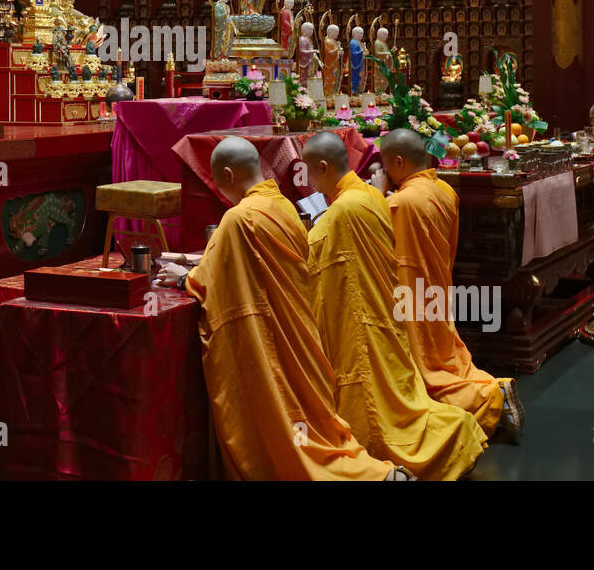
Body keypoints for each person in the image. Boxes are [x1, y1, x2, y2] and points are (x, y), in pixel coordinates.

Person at [156, 136, 408, 480]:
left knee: (286, 428)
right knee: (313, 423)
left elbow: (210, 281)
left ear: (228, 175)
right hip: (301, 340)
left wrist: (183, 279)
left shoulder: (239, 219)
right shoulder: (286, 206)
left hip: (270, 343)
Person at [301, 132, 487, 479]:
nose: (310, 181)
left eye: (310, 173)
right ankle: (456, 428)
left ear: (323, 168)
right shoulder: (372, 194)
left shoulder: (341, 211)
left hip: (361, 321)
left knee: (380, 411)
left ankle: (412, 459)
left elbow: (308, 262)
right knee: (401, 394)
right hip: (390, 314)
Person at [375, 129, 522, 441]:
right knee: (445, 357)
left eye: (386, 166)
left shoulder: (400, 203)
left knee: (426, 373)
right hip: (438, 288)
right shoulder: (444, 189)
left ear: (398, 162)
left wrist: (377, 197)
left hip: (410, 297)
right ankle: (489, 389)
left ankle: (489, 397)